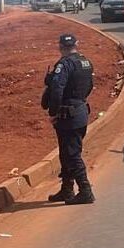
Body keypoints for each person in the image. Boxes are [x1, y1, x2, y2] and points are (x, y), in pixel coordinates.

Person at [43, 34, 96, 205]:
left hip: (68, 116)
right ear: (76, 44)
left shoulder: (64, 64)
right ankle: (67, 189)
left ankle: (85, 191)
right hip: (80, 111)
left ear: (60, 46)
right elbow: (89, 86)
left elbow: (57, 89)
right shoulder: (85, 62)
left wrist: (53, 112)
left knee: (72, 154)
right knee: (66, 152)